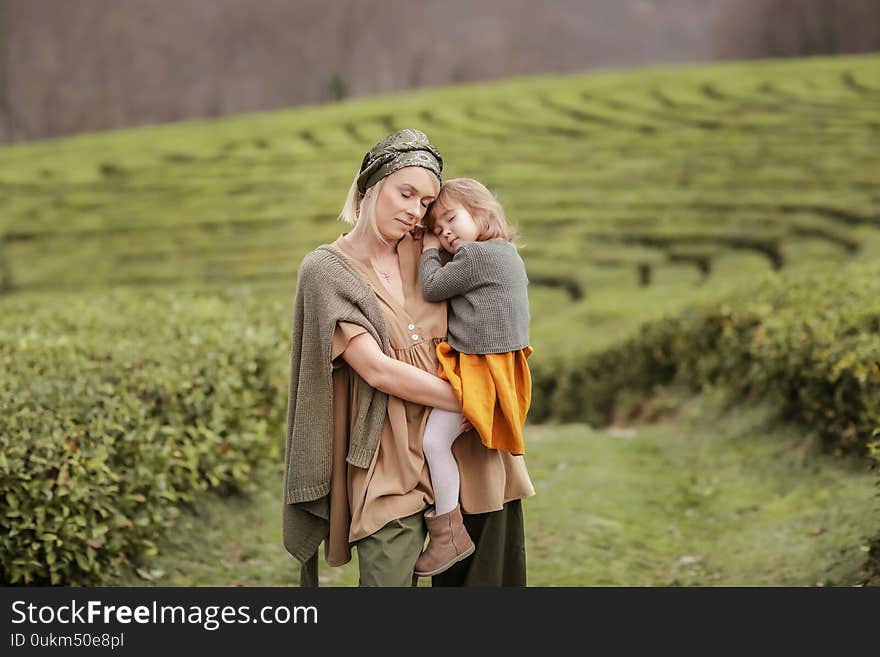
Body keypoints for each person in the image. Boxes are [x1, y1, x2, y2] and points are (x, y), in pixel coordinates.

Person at [282, 128, 535, 587]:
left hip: (470, 449)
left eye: (425, 202)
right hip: (389, 456)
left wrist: (499, 383)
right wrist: (475, 398)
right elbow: (376, 368)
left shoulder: (432, 249)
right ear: (369, 187)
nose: (415, 211)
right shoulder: (326, 270)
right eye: (406, 194)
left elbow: (498, 293)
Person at [413, 178, 534, 577]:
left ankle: (447, 529)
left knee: (433, 440)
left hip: (479, 369)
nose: (445, 233)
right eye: (438, 229)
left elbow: (431, 287)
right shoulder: (507, 254)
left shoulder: (477, 257)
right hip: (501, 368)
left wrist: (429, 250)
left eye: (450, 221)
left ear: (481, 212)